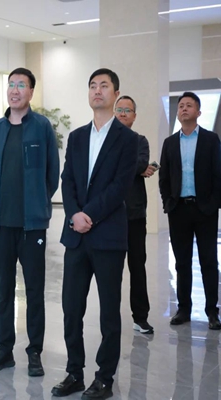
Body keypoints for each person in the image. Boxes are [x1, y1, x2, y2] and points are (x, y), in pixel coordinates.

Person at [52, 68, 138, 399]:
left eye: (104, 86)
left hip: (108, 236)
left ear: (115, 94)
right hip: (77, 235)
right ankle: (74, 372)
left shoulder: (127, 139)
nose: (97, 90)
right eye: (92, 86)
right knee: (72, 308)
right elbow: (68, 180)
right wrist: (75, 213)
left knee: (108, 312)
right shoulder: (76, 137)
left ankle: (104, 377)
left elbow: (120, 186)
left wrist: (89, 214)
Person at [0, 67, 59, 376]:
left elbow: (52, 174)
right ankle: (5, 349)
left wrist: (38, 203)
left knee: (34, 290)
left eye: (21, 85)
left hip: (32, 225)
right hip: (1, 224)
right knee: (3, 288)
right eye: (11, 85)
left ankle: (34, 351)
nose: (15, 90)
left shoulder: (42, 127)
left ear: (30, 92)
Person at [159, 91, 221, 330]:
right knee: (182, 263)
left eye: (189, 105)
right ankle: (183, 309)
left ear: (199, 112)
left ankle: (212, 312)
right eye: (181, 106)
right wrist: (168, 202)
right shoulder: (170, 143)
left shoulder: (211, 140)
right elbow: (164, 177)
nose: (184, 108)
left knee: (209, 262)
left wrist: (213, 204)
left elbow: (218, 174)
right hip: (178, 210)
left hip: (205, 210)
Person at [114, 95, 156, 334]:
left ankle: (140, 317)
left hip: (135, 215)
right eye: (119, 109)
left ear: (134, 116)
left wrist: (136, 167)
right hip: (111, 215)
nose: (122, 113)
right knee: (112, 270)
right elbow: (137, 166)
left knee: (137, 267)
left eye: (127, 110)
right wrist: (137, 168)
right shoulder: (106, 140)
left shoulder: (140, 141)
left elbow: (140, 163)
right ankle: (111, 318)